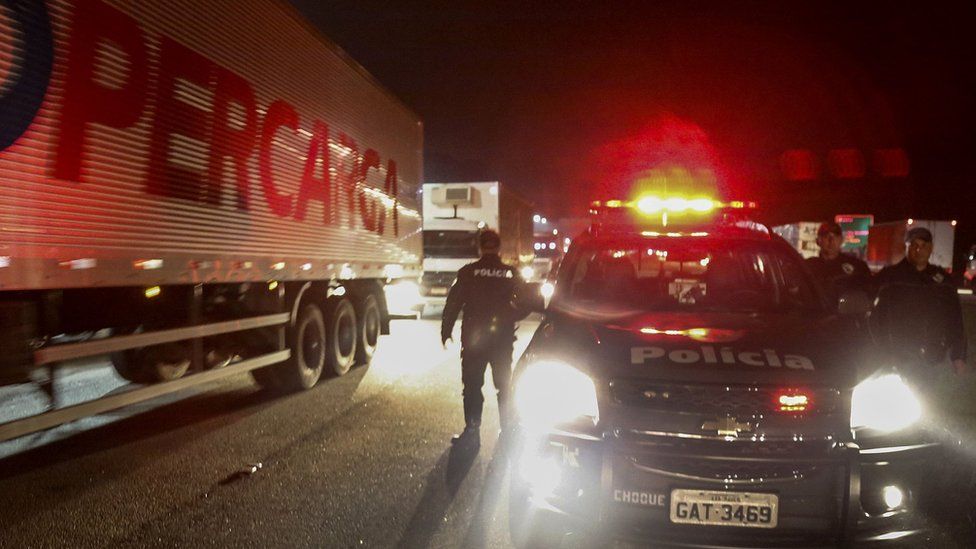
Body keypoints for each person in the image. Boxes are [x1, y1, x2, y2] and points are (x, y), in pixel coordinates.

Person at [441, 229, 528, 447]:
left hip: (474, 341)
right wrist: (511, 316)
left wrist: (446, 330)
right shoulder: (511, 273)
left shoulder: (468, 272)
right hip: (502, 340)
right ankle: (508, 429)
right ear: (499, 247)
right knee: (504, 385)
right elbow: (530, 301)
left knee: (472, 385)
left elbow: (453, 303)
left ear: (480, 247)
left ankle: (472, 430)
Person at [874, 226, 968, 375]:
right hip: (896, 360)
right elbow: (874, 318)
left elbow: (955, 319)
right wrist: (882, 350)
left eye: (924, 246)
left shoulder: (943, 281)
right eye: (914, 245)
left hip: (934, 358)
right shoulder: (889, 277)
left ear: (931, 249)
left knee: (933, 398)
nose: (919, 250)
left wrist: (958, 356)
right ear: (906, 247)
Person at [805, 221, 872, 309]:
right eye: (826, 237)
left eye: (835, 236)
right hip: (815, 315)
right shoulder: (808, 266)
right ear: (818, 241)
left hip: (847, 317)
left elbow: (868, 293)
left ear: (841, 240)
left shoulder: (857, 266)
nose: (831, 241)